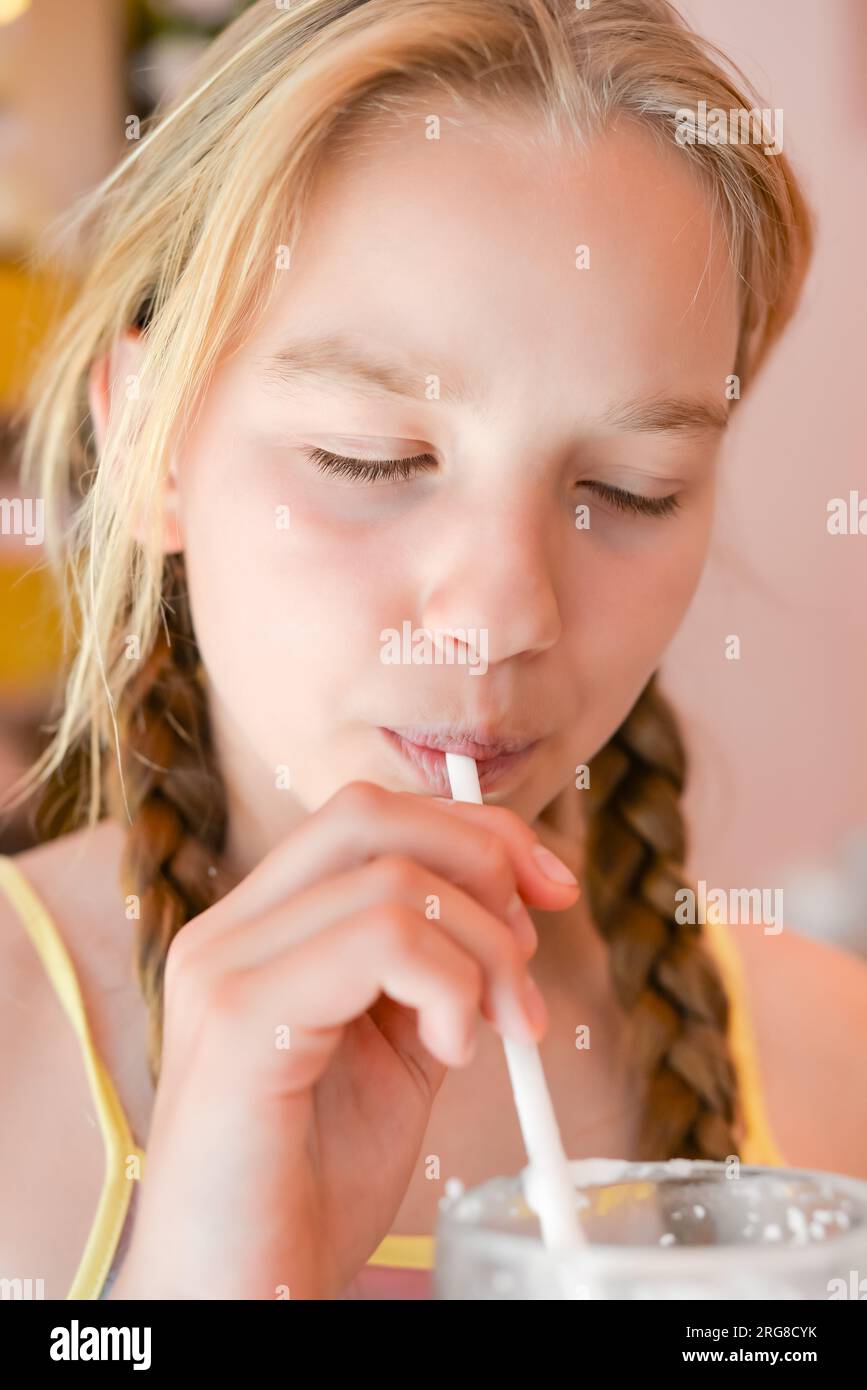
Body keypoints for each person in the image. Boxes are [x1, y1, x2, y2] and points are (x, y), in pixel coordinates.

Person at [1, 0, 863, 1302]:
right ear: (147, 450)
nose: (506, 613)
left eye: (631, 487)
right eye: (376, 459)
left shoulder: (836, 1062)